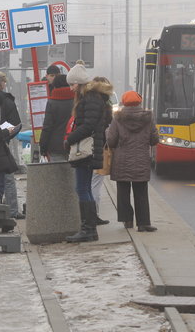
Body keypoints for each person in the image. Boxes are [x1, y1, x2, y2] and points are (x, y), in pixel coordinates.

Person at [63, 61, 110, 243]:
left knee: (82, 189)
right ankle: (89, 229)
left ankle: (87, 229)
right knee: (85, 189)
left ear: (80, 83)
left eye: (72, 84)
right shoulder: (94, 98)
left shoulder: (89, 99)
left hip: (87, 150)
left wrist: (70, 139)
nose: (71, 88)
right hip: (92, 149)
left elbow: (88, 125)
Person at [106, 91, 159, 232]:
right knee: (141, 191)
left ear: (123, 102)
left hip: (122, 160)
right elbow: (155, 139)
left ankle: (127, 220)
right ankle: (143, 223)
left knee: (123, 191)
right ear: (139, 102)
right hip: (141, 160)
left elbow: (111, 140)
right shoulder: (148, 118)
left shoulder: (117, 118)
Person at [0, 72, 24, 218]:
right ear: (0, 84)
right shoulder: (6, 101)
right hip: (1, 144)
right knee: (7, 178)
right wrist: (6, 137)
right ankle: (12, 211)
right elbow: (16, 124)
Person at [90, 75, 114, 226]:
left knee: (89, 183)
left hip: (87, 146)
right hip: (99, 148)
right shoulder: (105, 105)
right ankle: (93, 214)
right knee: (95, 184)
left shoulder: (88, 101)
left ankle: (90, 214)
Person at [38, 74, 74, 162]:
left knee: (57, 174)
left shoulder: (52, 103)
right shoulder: (77, 101)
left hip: (55, 146)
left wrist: (43, 147)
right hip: (73, 143)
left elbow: (47, 127)